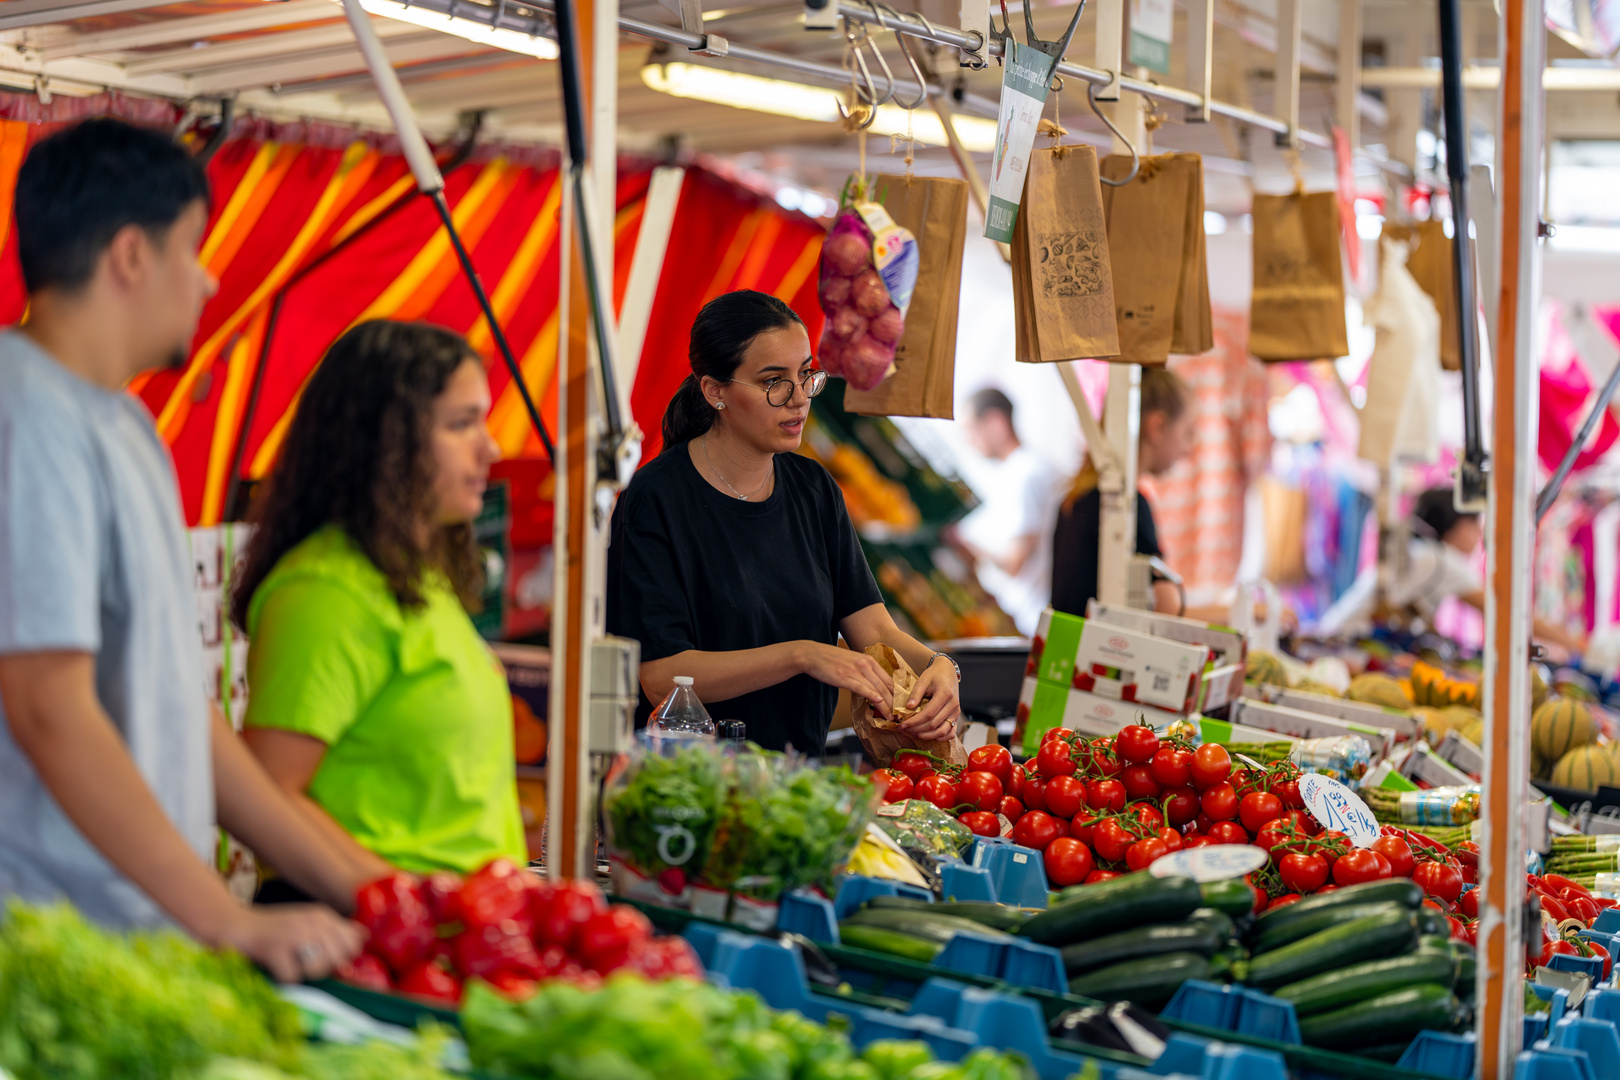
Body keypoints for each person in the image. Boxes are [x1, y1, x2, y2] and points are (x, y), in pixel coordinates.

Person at [0, 117, 369, 981]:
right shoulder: (27, 419)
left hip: (133, 938)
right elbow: (47, 704)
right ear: (131, 255)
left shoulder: (124, 421)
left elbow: (177, 707)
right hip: (45, 943)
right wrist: (226, 921)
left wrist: (364, 888)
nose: (208, 280)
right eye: (194, 248)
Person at [232, 320, 527, 882]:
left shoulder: (417, 575)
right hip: (363, 941)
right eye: (461, 423)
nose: (489, 447)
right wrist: (399, 905)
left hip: (455, 937)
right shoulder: (325, 592)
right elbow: (266, 795)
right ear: (385, 439)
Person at [606, 290, 962, 754]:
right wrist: (802, 655)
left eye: (805, 374)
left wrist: (939, 665)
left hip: (795, 782)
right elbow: (662, 677)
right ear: (715, 390)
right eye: (774, 381)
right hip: (689, 791)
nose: (798, 399)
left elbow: (875, 632)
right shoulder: (656, 499)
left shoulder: (814, 489)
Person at [1050, 367, 1195, 616]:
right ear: (1157, 427)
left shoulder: (1075, 498)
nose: (1188, 449)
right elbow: (1168, 607)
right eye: (1187, 433)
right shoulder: (1125, 505)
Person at [949, 389, 1062, 637]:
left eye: (971, 430)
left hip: (1033, 621)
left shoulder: (1026, 473)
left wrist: (965, 542)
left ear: (996, 423)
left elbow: (1014, 561)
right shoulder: (1022, 470)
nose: (969, 442)